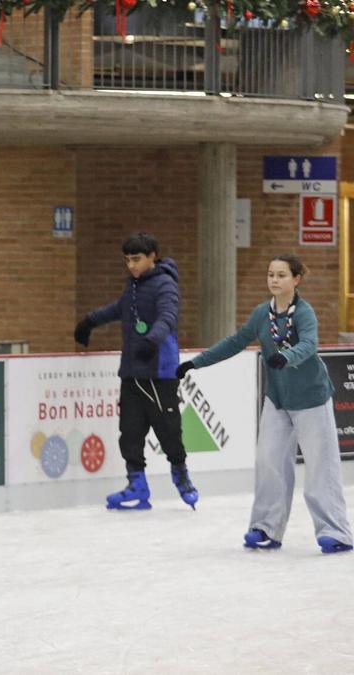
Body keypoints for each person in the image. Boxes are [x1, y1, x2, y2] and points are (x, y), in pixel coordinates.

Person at [176, 254, 352, 553]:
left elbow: (309, 344)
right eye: (271, 274)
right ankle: (266, 528)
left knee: (321, 466)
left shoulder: (304, 313)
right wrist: (196, 363)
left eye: (282, 275)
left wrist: (286, 356)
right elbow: (235, 342)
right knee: (269, 462)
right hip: (278, 400)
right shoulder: (262, 314)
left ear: (296, 279)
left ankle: (335, 531)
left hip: (311, 398)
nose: (274, 280)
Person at [73, 232, 198, 511]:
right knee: (129, 432)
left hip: (158, 371)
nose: (131, 265)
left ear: (152, 256)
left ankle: (181, 476)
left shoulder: (165, 285)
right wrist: (89, 321)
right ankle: (137, 484)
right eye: (127, 260)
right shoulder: (132, 286)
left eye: (137, 259)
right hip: (131, 370)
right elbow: (120, 310)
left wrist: (151, 341)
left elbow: (168, 316)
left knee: (167, 429)